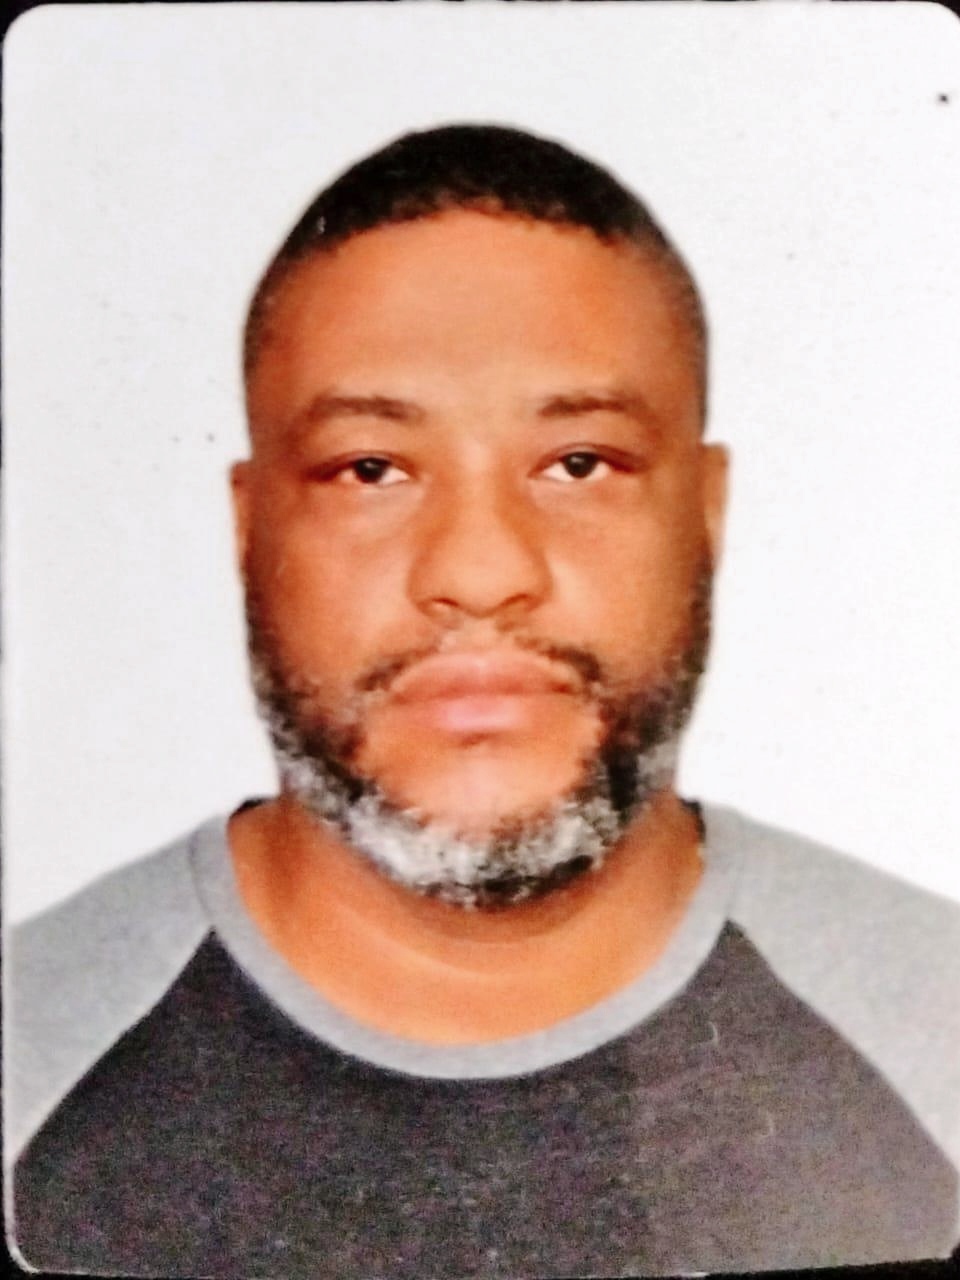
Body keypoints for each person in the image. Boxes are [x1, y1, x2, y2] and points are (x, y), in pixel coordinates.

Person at [7, 124, 959, 1278]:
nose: (478, 567)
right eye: (371, 468)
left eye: (579, 462)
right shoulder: (24, 1064)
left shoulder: (941, 1044)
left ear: (706, 516)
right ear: (249, 530)